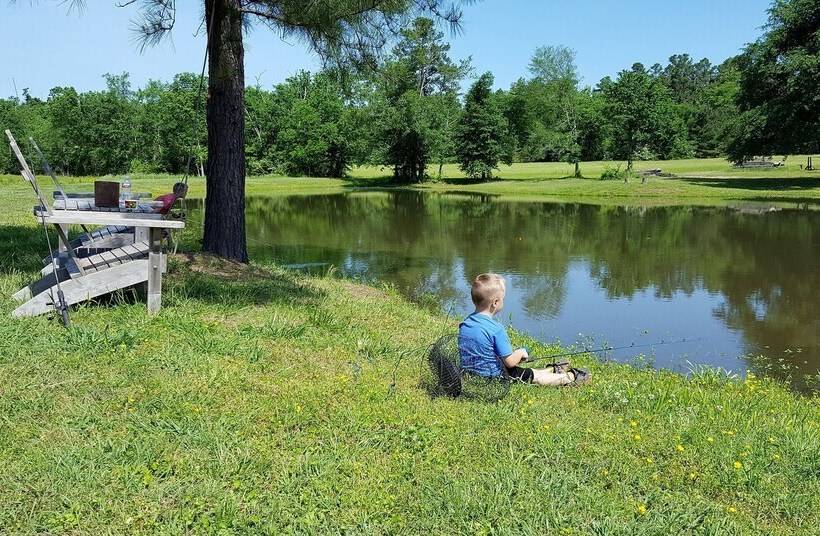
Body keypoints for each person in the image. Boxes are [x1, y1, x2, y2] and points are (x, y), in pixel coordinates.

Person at [458, 273, 590, 386]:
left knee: (526, 372)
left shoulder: (465, 323)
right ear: (496, 303)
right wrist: (521, 353)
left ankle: (552, 370)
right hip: (492, 377)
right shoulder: (496, 329)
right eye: (503, 299)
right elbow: (509, 363)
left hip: (471, 371)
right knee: (533, 376)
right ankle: (571, 377)